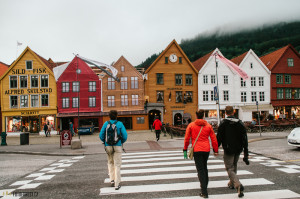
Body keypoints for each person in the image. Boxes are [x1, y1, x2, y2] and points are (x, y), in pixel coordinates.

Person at [183, 109, 218, 198]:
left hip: (197, 149)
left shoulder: (191, 125)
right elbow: (213, 138)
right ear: (203, 116)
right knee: (205, 167)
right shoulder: (208, 126)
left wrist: (185, 149)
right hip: (206, 149)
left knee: (200, 170)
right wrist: (215, 150)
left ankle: (204, 191)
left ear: (196, 116)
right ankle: (205, 187)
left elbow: (187, 138)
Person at [217, 106, 249, 198]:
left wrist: (216, 148)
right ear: (233, 112)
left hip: (228, 149)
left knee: (229, 168)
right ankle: (231, 183)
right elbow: (245, 139)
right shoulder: (240, 123)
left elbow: (219, 137)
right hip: (238, 149)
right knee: (234, 166)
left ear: (226, 113)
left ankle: (238, 185)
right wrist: (246, 154)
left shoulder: (223, 124)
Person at [99, 110, 127, 190]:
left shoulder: (106, 124)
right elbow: (125, 136)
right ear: (116, 116)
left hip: (108, 146)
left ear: (109, 116)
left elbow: (101, 135)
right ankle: (117, 184)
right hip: (117, 145)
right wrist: (121, 142)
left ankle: (112, 180)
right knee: (117, 164)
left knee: (110, 162)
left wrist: (105, 142)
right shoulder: (120, 124)